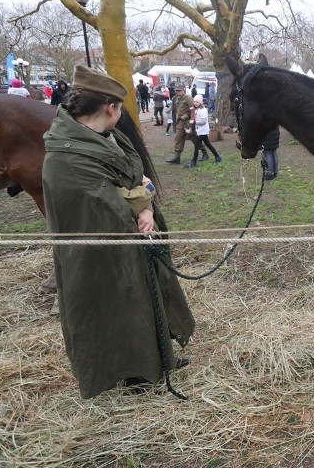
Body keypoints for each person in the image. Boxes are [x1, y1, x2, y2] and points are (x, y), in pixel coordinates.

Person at [42, 64, 195, 398]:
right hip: (100, 254)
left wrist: (145, 204)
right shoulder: (66, 155)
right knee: (116, 305)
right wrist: (142, 204)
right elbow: (105, 203)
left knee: (141, 295)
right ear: (110, 107)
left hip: (132, 239)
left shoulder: (107, 136)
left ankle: (157, 359)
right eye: (120, 108)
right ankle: (133, 371)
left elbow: (134, 177)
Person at [186, 94, 222, 167]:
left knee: (197, 146)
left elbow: (203, 121)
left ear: (201, 103)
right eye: (194, 102)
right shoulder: (197, 110)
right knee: (208, 144)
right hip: (200, 131)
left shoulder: (203, 110)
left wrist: (194, 122)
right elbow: (196, 120)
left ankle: (194, 161)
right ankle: (217, 157)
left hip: (202, 131)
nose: (195, 103)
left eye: (197, 102)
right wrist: (192, 128)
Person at [165, 84, 194, 164]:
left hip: (187, 122)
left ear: (183, 90)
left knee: (194, 138)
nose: (178, 92)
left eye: (179, 90)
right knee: (178, 138)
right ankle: (177, 157)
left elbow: (193, 109)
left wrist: (191, 119)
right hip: (180, 122)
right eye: (176, 91)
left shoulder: (188, 98)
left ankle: (204, 152)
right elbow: (175, 108)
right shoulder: (177, 98)